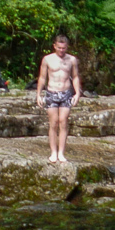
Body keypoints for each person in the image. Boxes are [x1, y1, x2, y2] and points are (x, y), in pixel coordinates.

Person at [33, 32, 82, 163]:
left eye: (64, 48)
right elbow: (42, 78)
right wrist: (38, 94)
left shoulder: (71, 60)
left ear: (67, 47)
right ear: (54, 46)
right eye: (59, 48)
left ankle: (61, 152)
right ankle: (53, 152)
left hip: (66, 92)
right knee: (53, 122)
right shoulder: (47, 59)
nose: (61, 50)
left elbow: (76, 77)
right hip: (51, 92)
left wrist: (77, 93)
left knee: (63, 121)